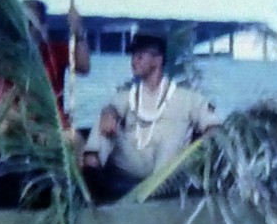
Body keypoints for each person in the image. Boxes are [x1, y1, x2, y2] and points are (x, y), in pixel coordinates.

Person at [81, 31, 218, 202]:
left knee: (171, 134)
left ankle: (158, 190)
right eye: (133, 56)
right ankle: (90, 174)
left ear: (157, 60)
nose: (133, 61)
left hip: (167, 167)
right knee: (104, 118)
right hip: (133, 160)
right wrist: (109, 113)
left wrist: (199, 147)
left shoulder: (187, 98)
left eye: (139, 56)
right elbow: (113, 107)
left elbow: (214, 127)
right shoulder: (128, 96)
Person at [0, 0, 90, 132]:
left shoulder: (54, 52)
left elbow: (84, 67)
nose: (25, 29)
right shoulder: (6, 59)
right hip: (18, 129)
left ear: (43, 28)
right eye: (20, 23)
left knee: (74, 138)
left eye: (30, 24)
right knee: (3, 126)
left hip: (54, 128)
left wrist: (78, 31)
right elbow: (0, 107)